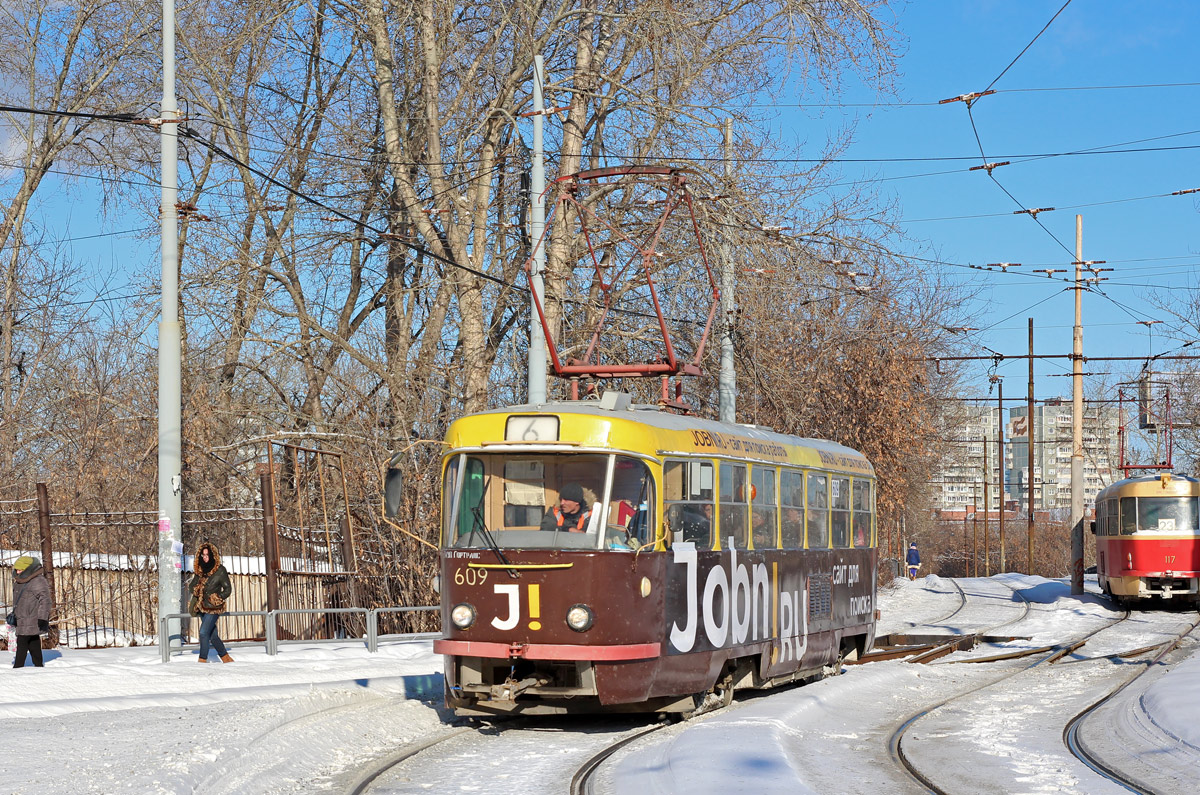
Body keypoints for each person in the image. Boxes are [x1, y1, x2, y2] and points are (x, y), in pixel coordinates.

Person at [189, 542, 234, 663]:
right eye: (203, 555)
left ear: (213, 555)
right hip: (202, 607)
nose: (205, 557)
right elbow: (191, 586)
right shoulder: (200, 571)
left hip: (213, 608)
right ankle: (226, 658)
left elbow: (228, 589)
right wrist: (196, 589)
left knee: (203, 632)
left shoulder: (220, 570)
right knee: (212, 636)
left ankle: (202, 659)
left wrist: (218, 597)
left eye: (207, 555)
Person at [10, 555, 51, 668]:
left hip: (33, 619)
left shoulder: (38, 581)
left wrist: (42, 618)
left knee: (22, 645)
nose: (17, 572)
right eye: (16, 569)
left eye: (20, 569)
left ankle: (17, 669)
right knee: (33, 643)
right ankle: (38, 667)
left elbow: (45, 600)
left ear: (28, 569)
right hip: (21, 619)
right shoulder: (19, 581)